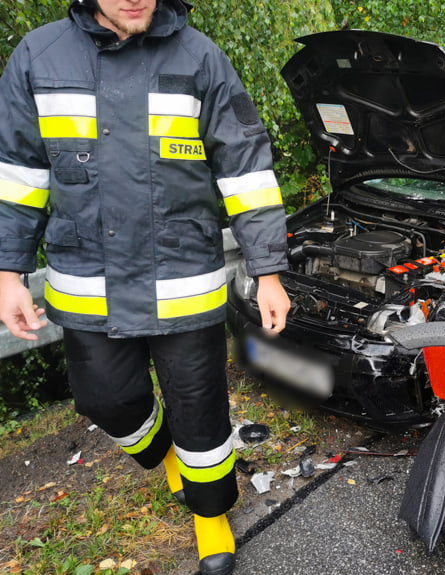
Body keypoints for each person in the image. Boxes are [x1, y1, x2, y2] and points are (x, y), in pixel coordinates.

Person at [0, 1, 292, 573]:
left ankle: (210, 517)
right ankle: (165, 455)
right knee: (104, 399)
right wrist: (8, 272)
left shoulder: (201, 57)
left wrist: (268, 272)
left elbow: (246, 168)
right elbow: (18, 174)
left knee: (199, 408)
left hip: (185, 280)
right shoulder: (38, 55)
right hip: (87, 281)